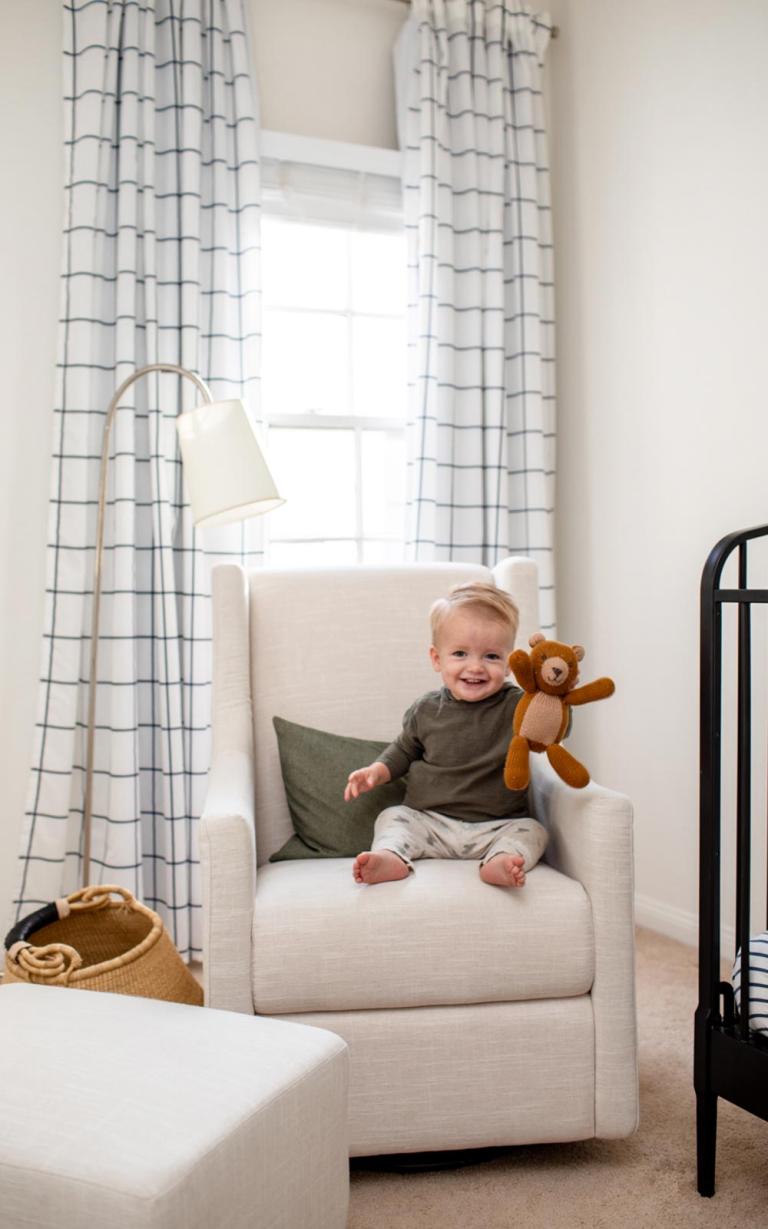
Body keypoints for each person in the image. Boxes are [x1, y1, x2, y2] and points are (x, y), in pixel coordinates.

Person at [344, 581, 548, 887]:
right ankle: (392, 857)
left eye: (491, 656)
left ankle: (499, 860)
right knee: (392, 817)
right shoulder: (426, 710)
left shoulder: (517, 705)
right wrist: (377, 771)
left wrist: (552, 695)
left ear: (510, 663)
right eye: (461, 653)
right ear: (437, 658)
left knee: (534, 830)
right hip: (429, 823)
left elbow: (550, 730)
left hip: (495, 826)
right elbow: (402, 750)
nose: (475, 667)